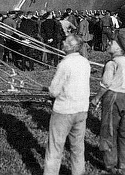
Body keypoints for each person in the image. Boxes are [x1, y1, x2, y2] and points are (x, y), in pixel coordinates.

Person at [42, 35, 91, 175]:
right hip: (81, 109)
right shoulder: (85, 62)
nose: (62, 42)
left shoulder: (64, 64)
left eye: (65, 41)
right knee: (78, 147)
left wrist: (51, 92)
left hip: (63, 110)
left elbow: (54, 90)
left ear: (69, 47)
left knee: (55, 148)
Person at [91, 35, 125, 175]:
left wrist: (96, 98)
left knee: (108, 131)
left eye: (112, 42)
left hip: (112, 97)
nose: (109, 43)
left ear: (119, 47)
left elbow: (105, 84)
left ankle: (110, 164)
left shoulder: (111, 63)